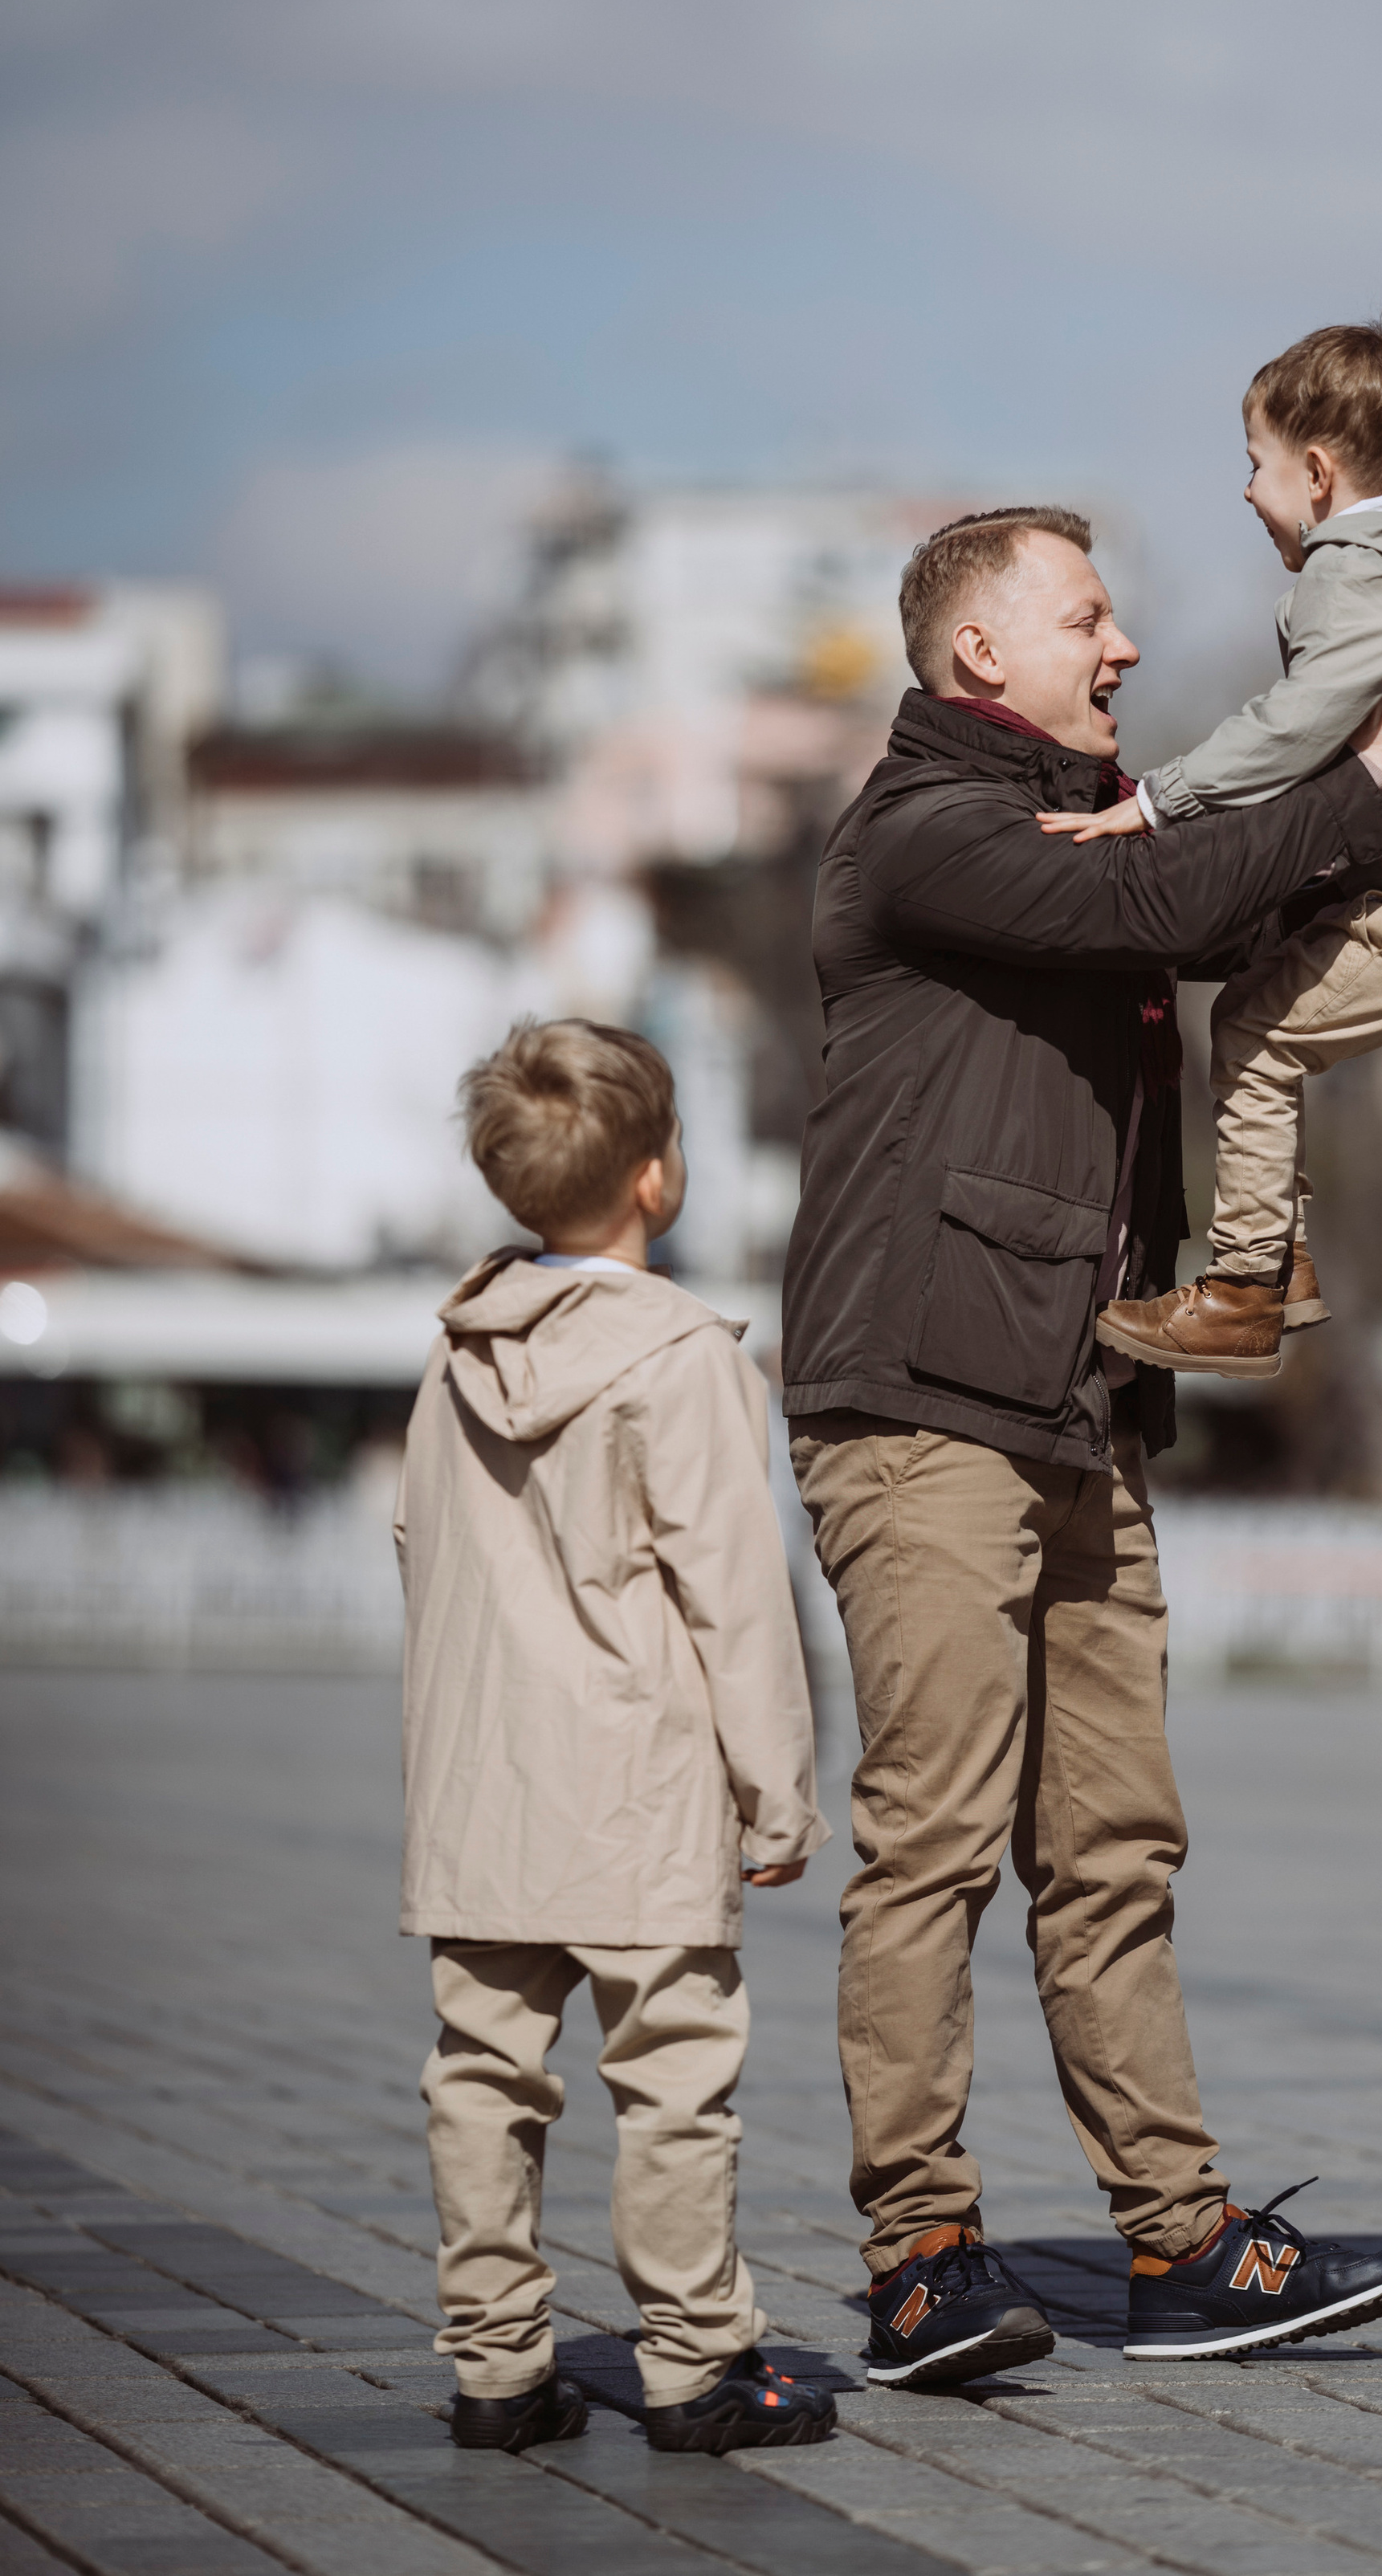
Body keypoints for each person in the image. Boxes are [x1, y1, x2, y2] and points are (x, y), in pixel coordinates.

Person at [780, 506, 1382, 2383]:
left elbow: (1228, 900)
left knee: (1111, 1844)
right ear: (973, 656)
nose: (1119, 644)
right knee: (929, 1838)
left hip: (1074, 1401)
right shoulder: (925, 837)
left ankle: (1178, 2242)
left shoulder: (1093, 827)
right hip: (923, 1399)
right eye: (1085, 615)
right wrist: (1372, 756)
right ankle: (919, 2248)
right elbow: (1149, 910)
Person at [396, 1017, 835, 2456]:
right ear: (656, 1177)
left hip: (481, 1779)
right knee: (672, 2080)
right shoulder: (685, 1359)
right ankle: (700, 2361)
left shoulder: (456, 1354)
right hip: (640, 1781)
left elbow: (420, 1543)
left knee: (480, 2073)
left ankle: (498, 2364)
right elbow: (736, 1595)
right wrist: (776, 1795)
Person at [1050, 320, 1382, 1376]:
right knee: (1264, 995)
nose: (1246, 493)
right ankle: (1278, 1259)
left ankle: (1244, 1288)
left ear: (1316, 470)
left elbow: (1299, 724)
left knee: (1255, 1032)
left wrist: (1163, 800)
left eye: (1253, 466)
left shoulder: (1359, 566)